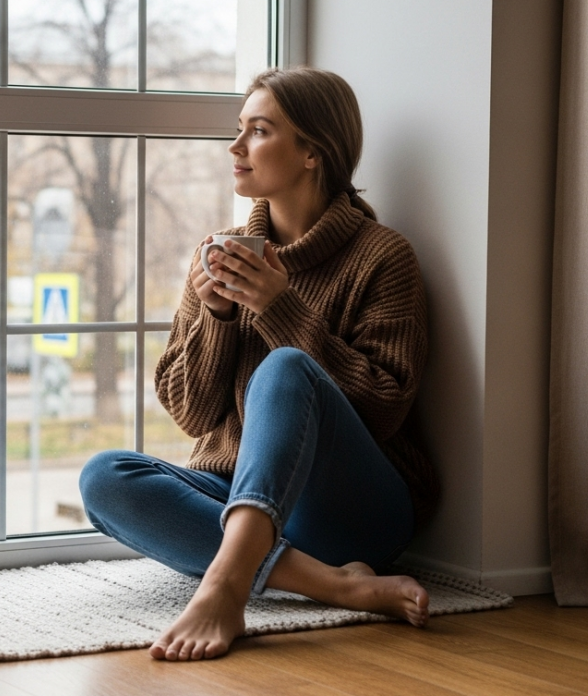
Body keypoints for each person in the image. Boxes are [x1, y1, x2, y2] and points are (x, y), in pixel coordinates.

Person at [78, 67, 439, 662]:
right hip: (242, 493)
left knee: (286, 368)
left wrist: (279, 308)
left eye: (259, 130)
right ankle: (335, 585)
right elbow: (192, 416)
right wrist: (215, 318)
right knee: (104, 477)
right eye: (238, 129)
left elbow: (384, 407)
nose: (235, 147)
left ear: (311, 154)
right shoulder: (220, 253)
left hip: (353, 514)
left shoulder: (383, 257)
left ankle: (226, 584)